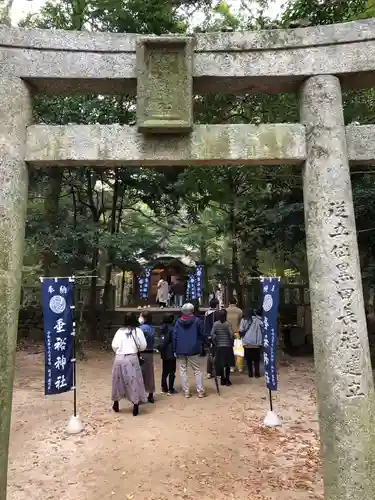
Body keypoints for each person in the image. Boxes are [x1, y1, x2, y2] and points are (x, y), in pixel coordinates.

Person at [111, 313, 147, 416]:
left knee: (118, 381)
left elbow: (114, 345)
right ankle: (135, 405)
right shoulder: (138, 331)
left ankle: (116, 403)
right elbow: (143, 346)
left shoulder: (119, 331)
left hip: (119, 358)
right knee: (134, 381)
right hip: (131, 358)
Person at [173, 303, 205, 398]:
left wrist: (175, 349)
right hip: (193, 349)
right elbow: (202, 334)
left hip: (181, 349)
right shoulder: (197, 321)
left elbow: (174, 336)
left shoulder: (178, 322)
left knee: (183, 370)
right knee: (197, 370)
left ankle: (186, 391)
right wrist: (205, 342)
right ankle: (200, 391)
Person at [211, 309, 235, 386]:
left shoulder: (215, 324)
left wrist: (215, 341)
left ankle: (222, 379)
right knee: (227, 364)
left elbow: (212, 334)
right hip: (227, 346)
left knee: (220, 364)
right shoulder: (228, 324)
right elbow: (231, 335)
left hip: (219, 346)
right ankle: (227, 379)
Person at [239, 308, 263, 378]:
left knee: (248, 360)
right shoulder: (258, 320)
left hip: (247, 343)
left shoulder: (244, 320)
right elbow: (263, 327)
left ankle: (250, 373)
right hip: (256, 343)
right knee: (256, 360)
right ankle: (257, 373)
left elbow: (241, 330)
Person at [139, 311, 156, 403]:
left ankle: (140, 395)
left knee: (140, 374)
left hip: (141, 352)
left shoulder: (140, 328)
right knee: (150, 374)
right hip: (149, 353)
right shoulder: (151, 328)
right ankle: (151, 394)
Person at [158, 313, 177, 394]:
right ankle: (171, 388)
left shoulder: (161, 328)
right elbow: (174, 340)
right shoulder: (173, 329)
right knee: (172, 371)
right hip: (171, 352)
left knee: (164, 370)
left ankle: (164, 387)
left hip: (163, 352)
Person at [204, 298, 220, 378]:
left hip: (208, 336)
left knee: (210, 354)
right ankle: (217, 371)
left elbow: (206, 326)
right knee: (217, 354)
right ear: (217, 305)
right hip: (216, 337)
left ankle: (209, 372)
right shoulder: (217, 314)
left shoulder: (207, 313)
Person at [226, 298, 243, 372]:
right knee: (238, 350)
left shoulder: (225, 310)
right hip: (237, 332)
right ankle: (239, 367)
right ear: (236, 302)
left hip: (228, 333)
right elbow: (241, 322)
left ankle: (231, 366)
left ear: (229, 302)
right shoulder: (239, 311)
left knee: (229, 350)